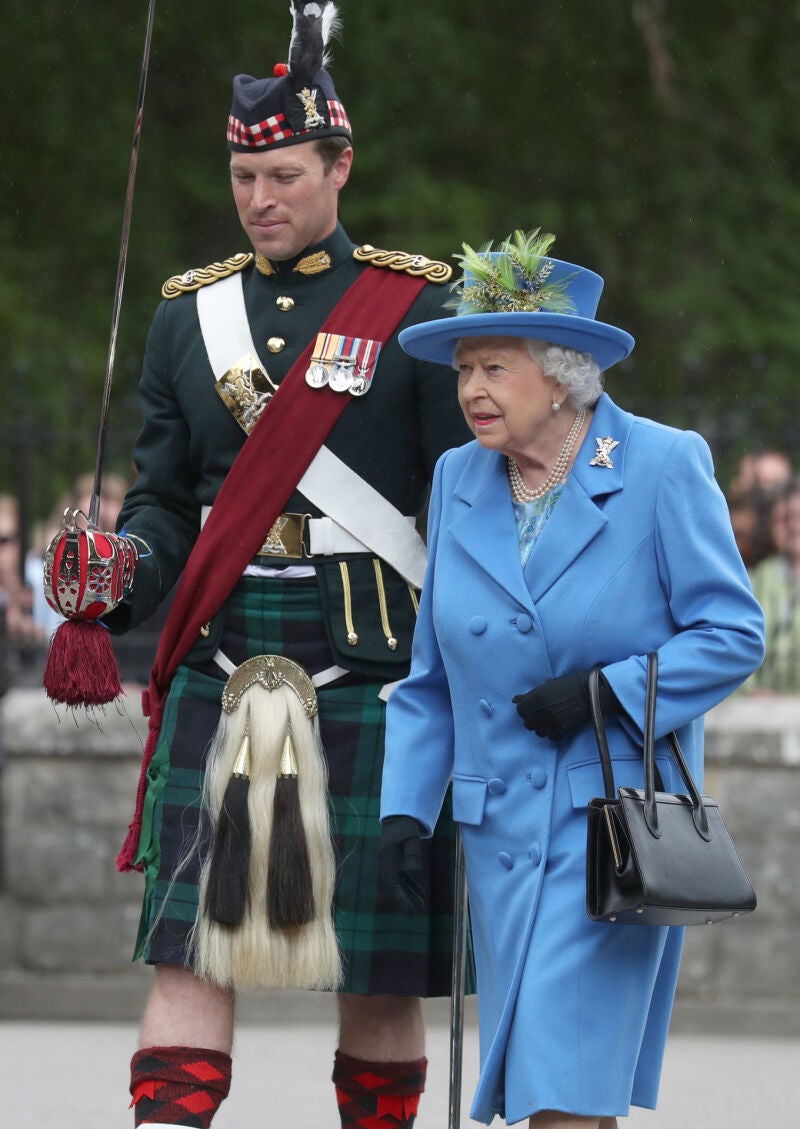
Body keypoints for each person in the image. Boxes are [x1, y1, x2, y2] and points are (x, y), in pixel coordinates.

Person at [44, 4, 471, 1127]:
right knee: (191, 950)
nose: (260, 198)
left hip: (373, 667)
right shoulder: (190, 319)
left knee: (377, 972)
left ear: (339, 166)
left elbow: (457, 510)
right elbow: (162, 504)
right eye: (244, 178)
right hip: (224, 657)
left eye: (283, 173)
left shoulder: (418, 308)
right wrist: (119, 567)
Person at [378, 228, 765, 1128]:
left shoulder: (663, 465)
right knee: (548, 1092)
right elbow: (431, 677)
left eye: (494, 368)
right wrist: (405, 808)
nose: (471, 388)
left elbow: (734, 631)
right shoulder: (456, 479)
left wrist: (608, 691)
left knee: (563, 1085)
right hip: (498, 832)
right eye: (464, 368)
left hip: (610, 835)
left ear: (562, 372)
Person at [743, 477, 800, 693]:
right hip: (759, 712)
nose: (795, 527)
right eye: (786, 519)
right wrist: (752, 692)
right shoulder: (755, 580)